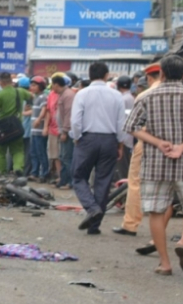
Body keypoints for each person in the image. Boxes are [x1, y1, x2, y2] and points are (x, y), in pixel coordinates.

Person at [123, 54, 183, 275]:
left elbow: (132, 127)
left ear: (162, 73)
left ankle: (165, 264)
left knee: (157, 210)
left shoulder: (148, 97)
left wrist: (158, 142)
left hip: (156, 161)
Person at [70, 61, 128, 235]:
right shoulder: (116, 95)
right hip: (110, 140)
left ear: (89, 75)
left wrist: (77, 137)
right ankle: (94, 225)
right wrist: (120, 144)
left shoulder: (82, 94)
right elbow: (121, 123)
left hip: (87, 138)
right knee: (103, 181)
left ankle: (91, 208)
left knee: (78, 176)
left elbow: (75, 120)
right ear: (106, 75)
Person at [115, 64, 162, 238]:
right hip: (176, 145)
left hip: (147, 142)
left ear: (150, 78)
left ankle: (131, 224)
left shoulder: (145, 95)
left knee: (135, 182)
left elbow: (131, 126)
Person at [0, 72, 32, 175]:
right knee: (17, 150)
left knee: (0, 151)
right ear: (11, 82)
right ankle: (18, 168)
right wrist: (29, 106)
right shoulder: (20, 91)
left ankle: (2, 172)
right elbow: (32, 97)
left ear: (1, 82)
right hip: (17, 126)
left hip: (2, 128)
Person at [55, 75, 77, 189]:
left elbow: (69, 114)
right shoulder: (64, 94)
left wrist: (64, 131)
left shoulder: (68, 95)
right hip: (64, 130)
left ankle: (70, 182)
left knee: (67, 158)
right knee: (63, 157)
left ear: (57, 84)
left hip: (67, 131)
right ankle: (63, 180)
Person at [28, 77, 50, 181]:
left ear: (41, 86)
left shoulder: (43, 97)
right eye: (31, 85)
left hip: (40, 130)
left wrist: (38, 119)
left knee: (41, 152)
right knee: (34, 152)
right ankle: (34, 172)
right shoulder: (35, 97)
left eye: (34, 85)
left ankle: (43, 174)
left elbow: (44, 109)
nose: (32, 87)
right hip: (34, 130)